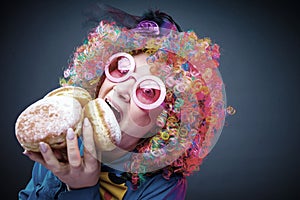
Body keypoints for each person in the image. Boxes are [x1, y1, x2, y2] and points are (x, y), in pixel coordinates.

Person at [18, 4, 227, 200]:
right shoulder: (62, 142)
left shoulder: (164, 188)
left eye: (147, 90)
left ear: (166, 121)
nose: (122, 90)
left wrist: (81, 189)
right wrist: (58, 175)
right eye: (122, 69)